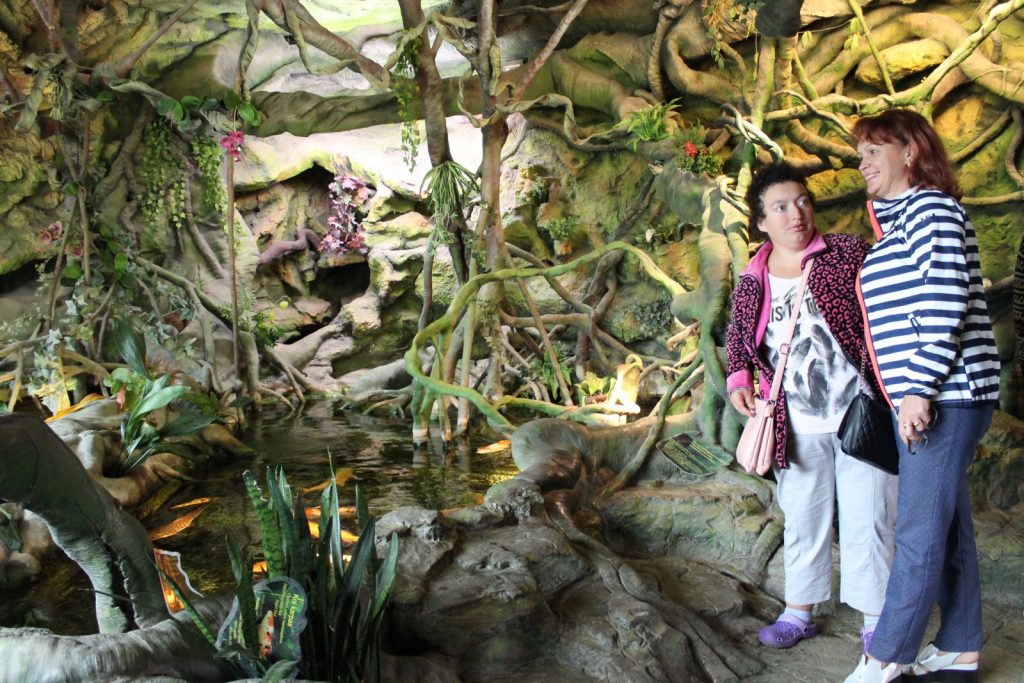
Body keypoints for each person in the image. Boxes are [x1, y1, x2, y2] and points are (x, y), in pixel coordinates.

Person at [844, 109, 1001, 683]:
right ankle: (959, 646)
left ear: (909, 151)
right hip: (934, 394)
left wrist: (918, 390)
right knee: (947, 525)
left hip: (945, 395)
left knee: (917, 530)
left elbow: (944, 300)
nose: (862, 163)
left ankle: (887, 655)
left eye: (873, 151)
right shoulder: (904, 219)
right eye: (859, 154)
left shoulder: (931, 210)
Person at [726, 162, 898, 653]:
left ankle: (877, 620)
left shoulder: (846, 253)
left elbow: (885, 308)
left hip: (860, 414)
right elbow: (739, 338)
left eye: (802, 201)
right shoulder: (752, 277)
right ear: (762, 221)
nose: (796, 214)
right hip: (793, 423)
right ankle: (799, 612)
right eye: (780, 207)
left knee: (870, 519)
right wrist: (739, 380)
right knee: (803, 518)